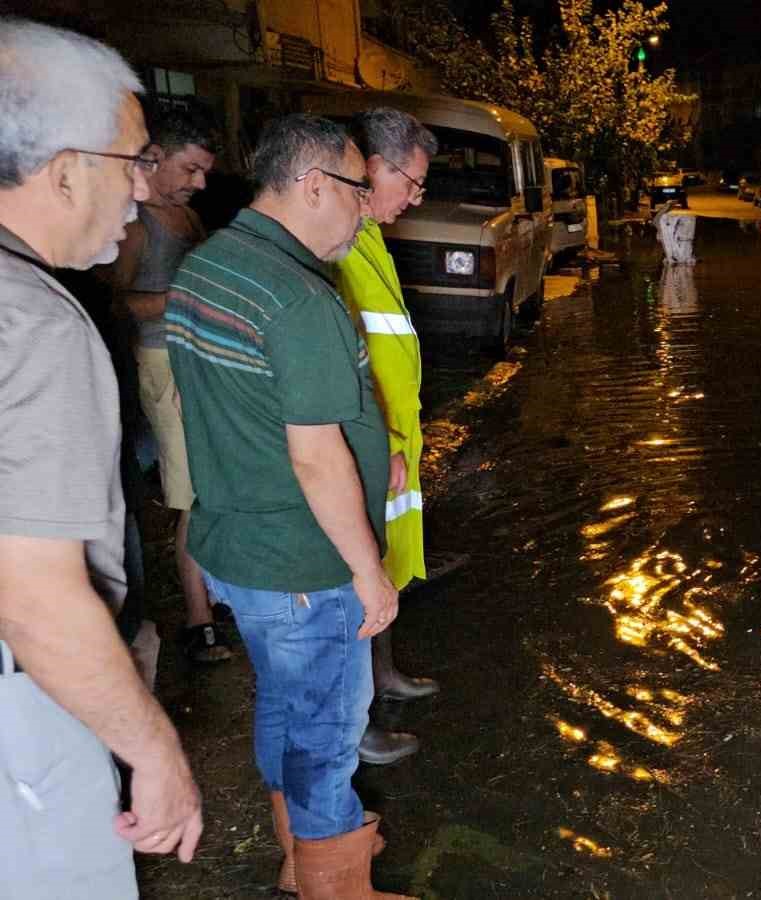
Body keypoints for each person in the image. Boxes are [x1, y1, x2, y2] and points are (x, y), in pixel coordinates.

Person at [164, 113, 412, 900]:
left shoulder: (208, 266)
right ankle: (333, 887)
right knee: (327, 739)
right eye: (355, 193)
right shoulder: (297, 298)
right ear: (312, 187)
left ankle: (296, 861)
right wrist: (369, 573)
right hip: (304, 563)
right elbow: (315, 453)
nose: (365, 210)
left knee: (283, 705)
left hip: (237, 548)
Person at [0, 17, 204, 895]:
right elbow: (35, 595)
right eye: (133, 161)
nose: (142, 188)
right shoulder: (35, 323)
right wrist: (153, 749)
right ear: (65, 168)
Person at [101, 101, 232, 666]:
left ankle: (215, 593)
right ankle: (199, 622)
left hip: (199, 364)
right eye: (189, 170)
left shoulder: (185, 216)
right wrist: (180, 301)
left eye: (204, 171)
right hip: (162, 369)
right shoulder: (134, 224)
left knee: (216, 487)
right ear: (154, 158)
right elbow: (111, 305)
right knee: (193, 499)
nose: (198, 183)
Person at [332, 107, 440, 767]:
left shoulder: (368, 232)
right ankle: (356, 720)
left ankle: (383, 675)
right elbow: (346, 356)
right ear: (375, 167)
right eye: (413, 182)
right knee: (359, 574)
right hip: (375, 446)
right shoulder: (340, 239)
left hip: (397, 441)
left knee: (387, 565)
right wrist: (381, 441)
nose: (416, 198)